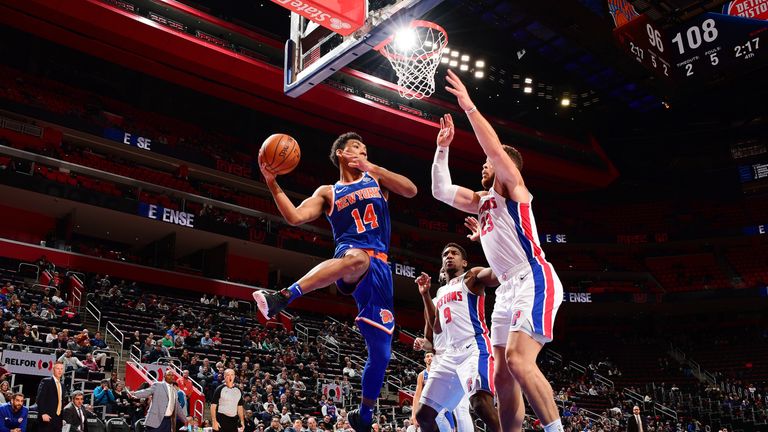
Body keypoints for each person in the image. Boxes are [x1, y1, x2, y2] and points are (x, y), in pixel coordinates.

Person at [254, 132, 418, 431]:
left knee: (381, 353)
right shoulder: (329, 192)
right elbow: (294, 216)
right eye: (358, 147)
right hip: (350, 259)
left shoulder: (376, 179)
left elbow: (411, 190)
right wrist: (272, 182)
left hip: (381, 271)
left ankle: (364, 414)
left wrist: (373, 167)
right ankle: (282, 297)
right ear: (341, 153)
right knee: (356, 258)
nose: (363, 152)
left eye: (366, 149)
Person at [432, 70, 564, 432]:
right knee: (502, 375)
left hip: (533, 277)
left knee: (521, 361)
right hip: (507, 289)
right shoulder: (482, 202)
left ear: (506, 169)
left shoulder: (514, 187)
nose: (483, 165)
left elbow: (493, 149)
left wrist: (469, 106)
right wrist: (442, 147)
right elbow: (440, 191)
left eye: (489, 164)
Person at [412, 243, 500, 432]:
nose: (449, 256)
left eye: (454, 253)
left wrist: (487, 242)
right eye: (445, 254)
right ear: (442, 264)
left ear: (464, 261)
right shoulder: (440, 293)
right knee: (423, 415)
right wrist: (425, 294)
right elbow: (434, 330)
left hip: (473, 347)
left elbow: (495, 274)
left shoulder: (471, 277)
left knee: (480, 404)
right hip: (449, 355)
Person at [36, 361, 64, 432]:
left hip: (58, 419)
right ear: (53, 369)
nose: (60, 370)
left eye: (61, 369)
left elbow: (61, 401)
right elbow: (40, 399)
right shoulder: (46, 381)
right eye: (57, 368)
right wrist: (43, 413)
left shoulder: (62, 385)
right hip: (47, 416)